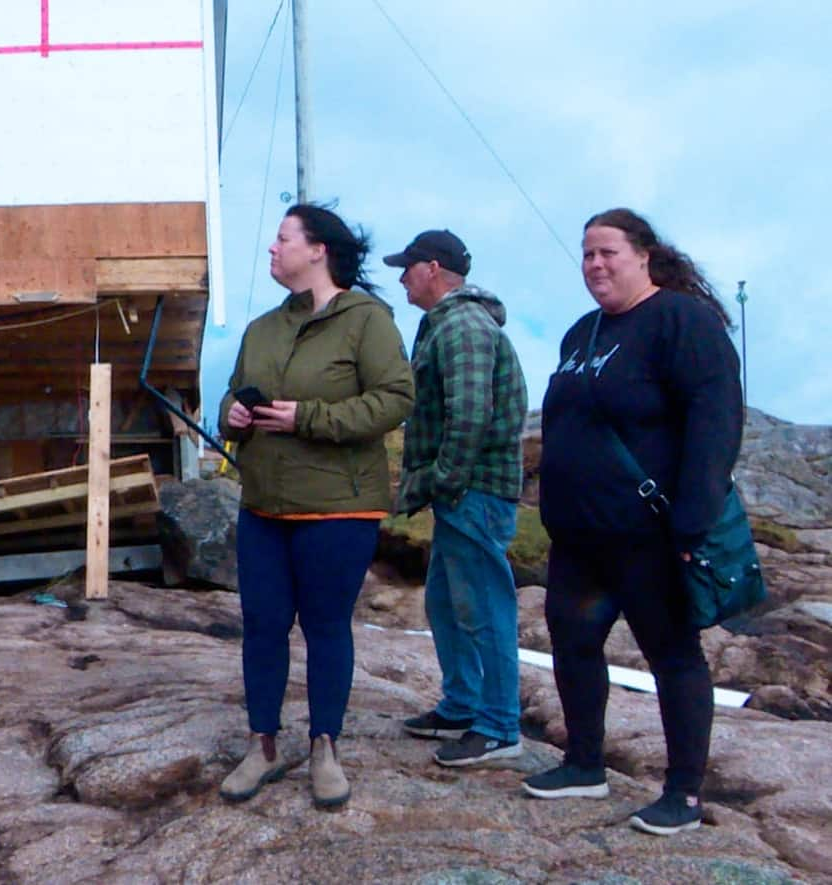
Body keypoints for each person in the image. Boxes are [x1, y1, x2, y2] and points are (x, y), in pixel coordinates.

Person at [524, 208, 743, 836]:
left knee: (672, 657)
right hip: (580, 537)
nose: (595, 264)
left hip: (652, 534)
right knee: (573, 645)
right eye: (587, 254)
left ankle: (684, 795)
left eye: (608, 252)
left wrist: (693, 525)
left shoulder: (681, 321)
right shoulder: (581, 333)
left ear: (644, 255)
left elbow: (715, 422)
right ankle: (584, 764)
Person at [217, 203, 415, 810]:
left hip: (338, 509)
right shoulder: (263, 328)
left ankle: (325, 747)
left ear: (317, 250)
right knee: (263, 628)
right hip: (264, 508)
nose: (272, 250)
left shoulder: (367, 320)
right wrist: (231, 413)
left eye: (282, 239)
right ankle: (263, 747)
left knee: (326, 628)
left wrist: (310, 418)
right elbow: (231, 390)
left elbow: (396, 398)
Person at [385, 230, 529, 767]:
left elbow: (471, 412)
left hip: (475, 491)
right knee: (446, 602)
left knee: (485, 607)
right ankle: (463, 704)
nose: (401, 278)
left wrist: (445, 479)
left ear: (433, 268)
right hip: (462, 492)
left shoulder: (464, 325)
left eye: (407, 268)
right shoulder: (449, 324)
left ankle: (498, 725)